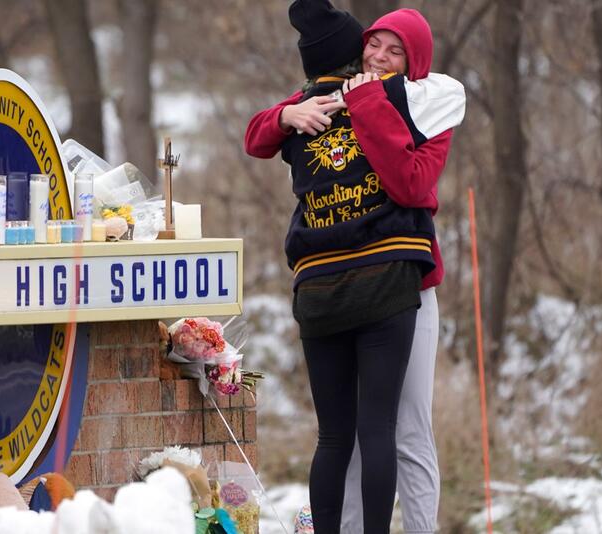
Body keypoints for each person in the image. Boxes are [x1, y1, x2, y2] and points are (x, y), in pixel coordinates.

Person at [243, 1, 464, 532]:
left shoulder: (426, 106)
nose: (382, 57)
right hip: (340, 280)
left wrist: (367, 101)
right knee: (352, 434)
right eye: (375, 45)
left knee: (405, 429)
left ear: (414, 63)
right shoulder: (334, 94)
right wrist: (285, 114)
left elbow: (409, 184)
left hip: (409, 285)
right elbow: (256, 134)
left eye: (396, 52)